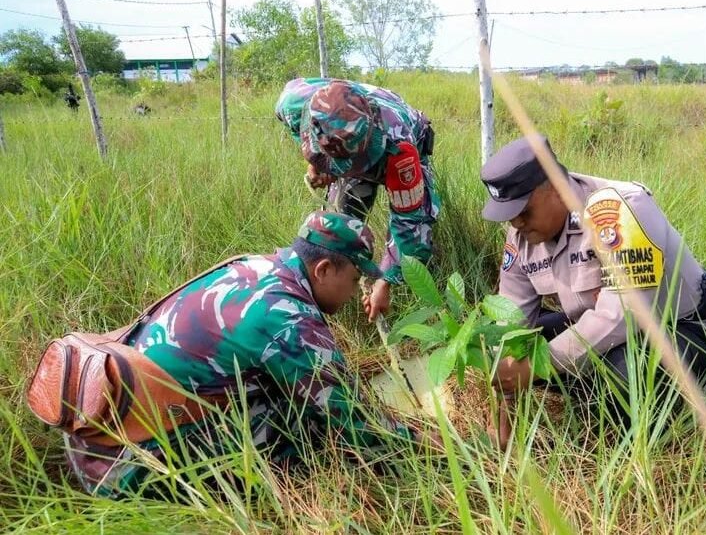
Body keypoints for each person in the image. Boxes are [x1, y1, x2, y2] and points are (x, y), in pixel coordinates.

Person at [65, 211, 436, 497]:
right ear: (323, 269)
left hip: (99, 432)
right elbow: (351, 419)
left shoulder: (254, 266)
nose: (356, 292)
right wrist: (428, 446)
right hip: (123, 465)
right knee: (305, 432)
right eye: (355, 280)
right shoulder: (287, 317)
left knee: (287, 397)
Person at [480, 135, 706, 445]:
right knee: (524, 344)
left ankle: (638, 438)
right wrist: (507, 395)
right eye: (510, 216)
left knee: (625, 375)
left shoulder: (621, 210)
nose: (517, 224)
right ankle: (594, 395)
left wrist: (540, 366)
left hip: (681, 330)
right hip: (611, 332)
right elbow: (511, 321)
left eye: (524, 211)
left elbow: (624, 316)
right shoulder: (522, 236)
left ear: (555, 186)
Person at [275, 78, 439, 323]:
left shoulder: (400, 149)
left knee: (420, 227)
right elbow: (298, 130)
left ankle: (381, 280)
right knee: (338, 229)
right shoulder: (294, 104)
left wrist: (386, 281)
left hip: (390, 147)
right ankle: (336, 286)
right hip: (346, 146)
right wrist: (319, 163)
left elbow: (409, 225)